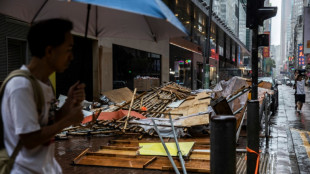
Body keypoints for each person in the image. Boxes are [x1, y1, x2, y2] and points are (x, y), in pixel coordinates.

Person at [1, 18, 85, 173]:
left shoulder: (45, 84)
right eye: (68, 49)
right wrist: (68, 120)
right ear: (49, 51)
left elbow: (47, 123)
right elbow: (29, 139)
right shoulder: (21, 86)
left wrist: (69, 103)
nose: (71, 57)